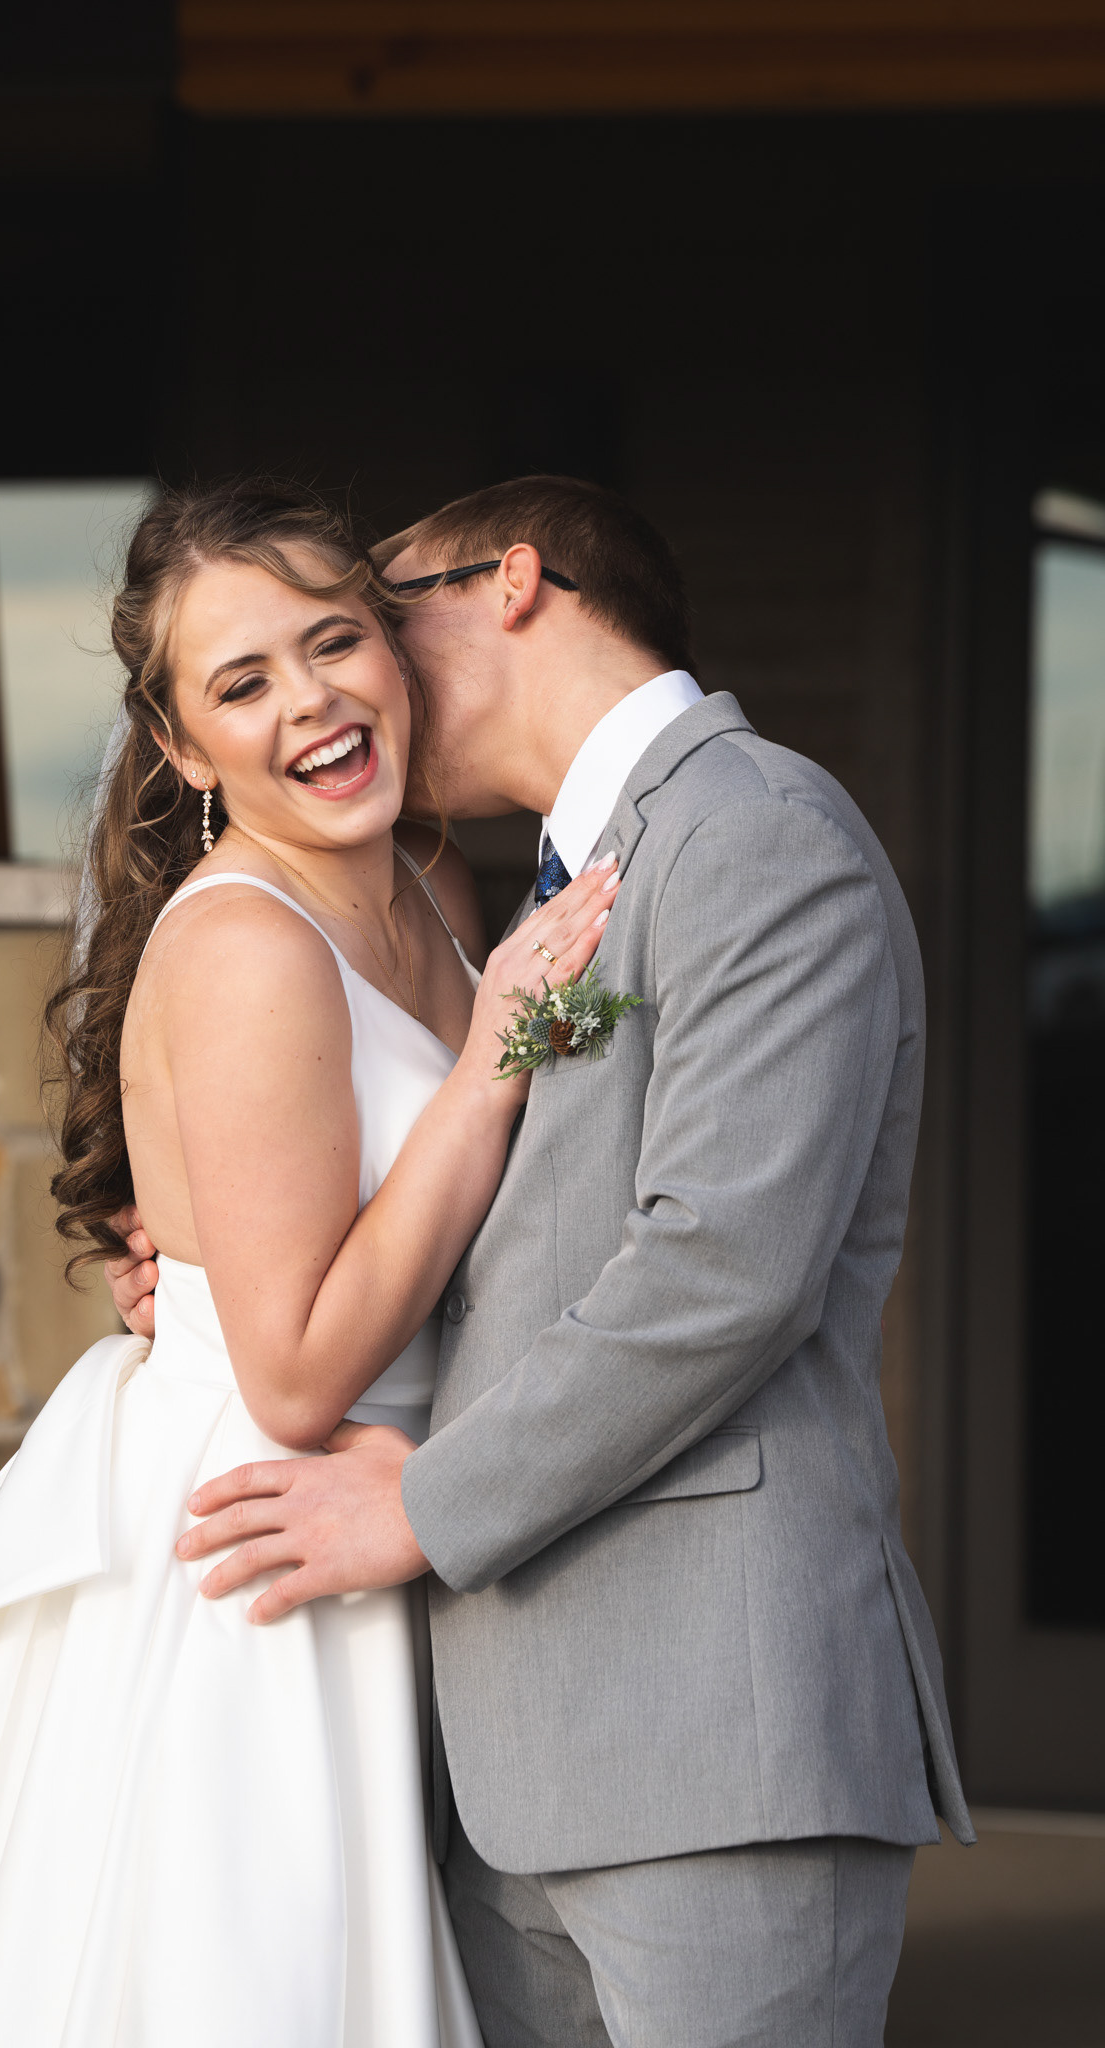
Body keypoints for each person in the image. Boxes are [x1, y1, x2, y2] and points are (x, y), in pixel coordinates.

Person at [0, 480, 619, 2048]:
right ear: (182, 749)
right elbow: (290, 1374)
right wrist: (493, 1062)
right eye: (241, 684)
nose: (310, 703)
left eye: (331, 643)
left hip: (408, 1520)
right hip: (264, 1559)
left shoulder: (433, 885)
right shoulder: (242, 946)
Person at [108, 474, 976, 2048]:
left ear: (505, 587)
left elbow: (721, 1263)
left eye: (368, 622)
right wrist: (216, 1267)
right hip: (500, 1748)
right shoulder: (538, 888)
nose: (354, 675)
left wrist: (421, 1503)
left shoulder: (755, 833)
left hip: (714, 1731)